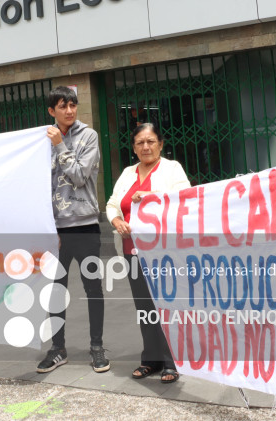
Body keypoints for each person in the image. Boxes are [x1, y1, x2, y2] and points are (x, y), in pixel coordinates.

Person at [106, 123, 190, 383]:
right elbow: (112, 203)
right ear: (133, 147)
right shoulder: (128, 173)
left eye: (151, 141)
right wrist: (116, 221)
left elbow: (185, 197)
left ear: (161, 144)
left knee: (165, 305)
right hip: (133, 252)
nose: (146, 147)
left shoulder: (172, 168)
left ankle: (171, 361)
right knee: (144, 308)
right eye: (140, 142)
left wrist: (152, 194)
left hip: (163, 253)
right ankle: (150, 359)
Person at [37, 87, 108, 374]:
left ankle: (97, 347)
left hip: (85, 226)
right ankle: (58, 348)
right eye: (62, 106)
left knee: (93, 289)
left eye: (73, 105)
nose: (69, 110)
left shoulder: (88, 136)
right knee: (56, 291)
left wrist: (59, 146)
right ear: (51, 111)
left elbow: (79, 176)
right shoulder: (41, 141)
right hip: (55, 231)